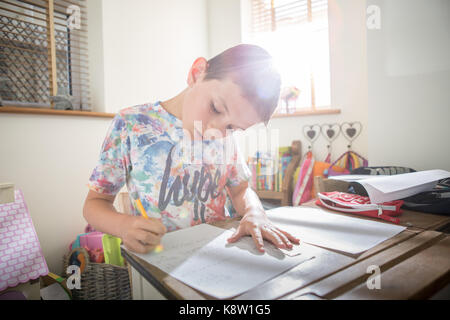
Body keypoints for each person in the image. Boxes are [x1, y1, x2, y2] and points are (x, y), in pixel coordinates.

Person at [83, 44, 300, 254]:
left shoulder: (225, 139)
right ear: (197, 73)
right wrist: (123, 226)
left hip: (218, 255)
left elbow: (241, 190)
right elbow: (95, 204)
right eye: (215, 108)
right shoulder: (131, 124)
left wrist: (255, 212)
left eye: (232, 127)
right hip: (159, 260)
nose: (215, 129)